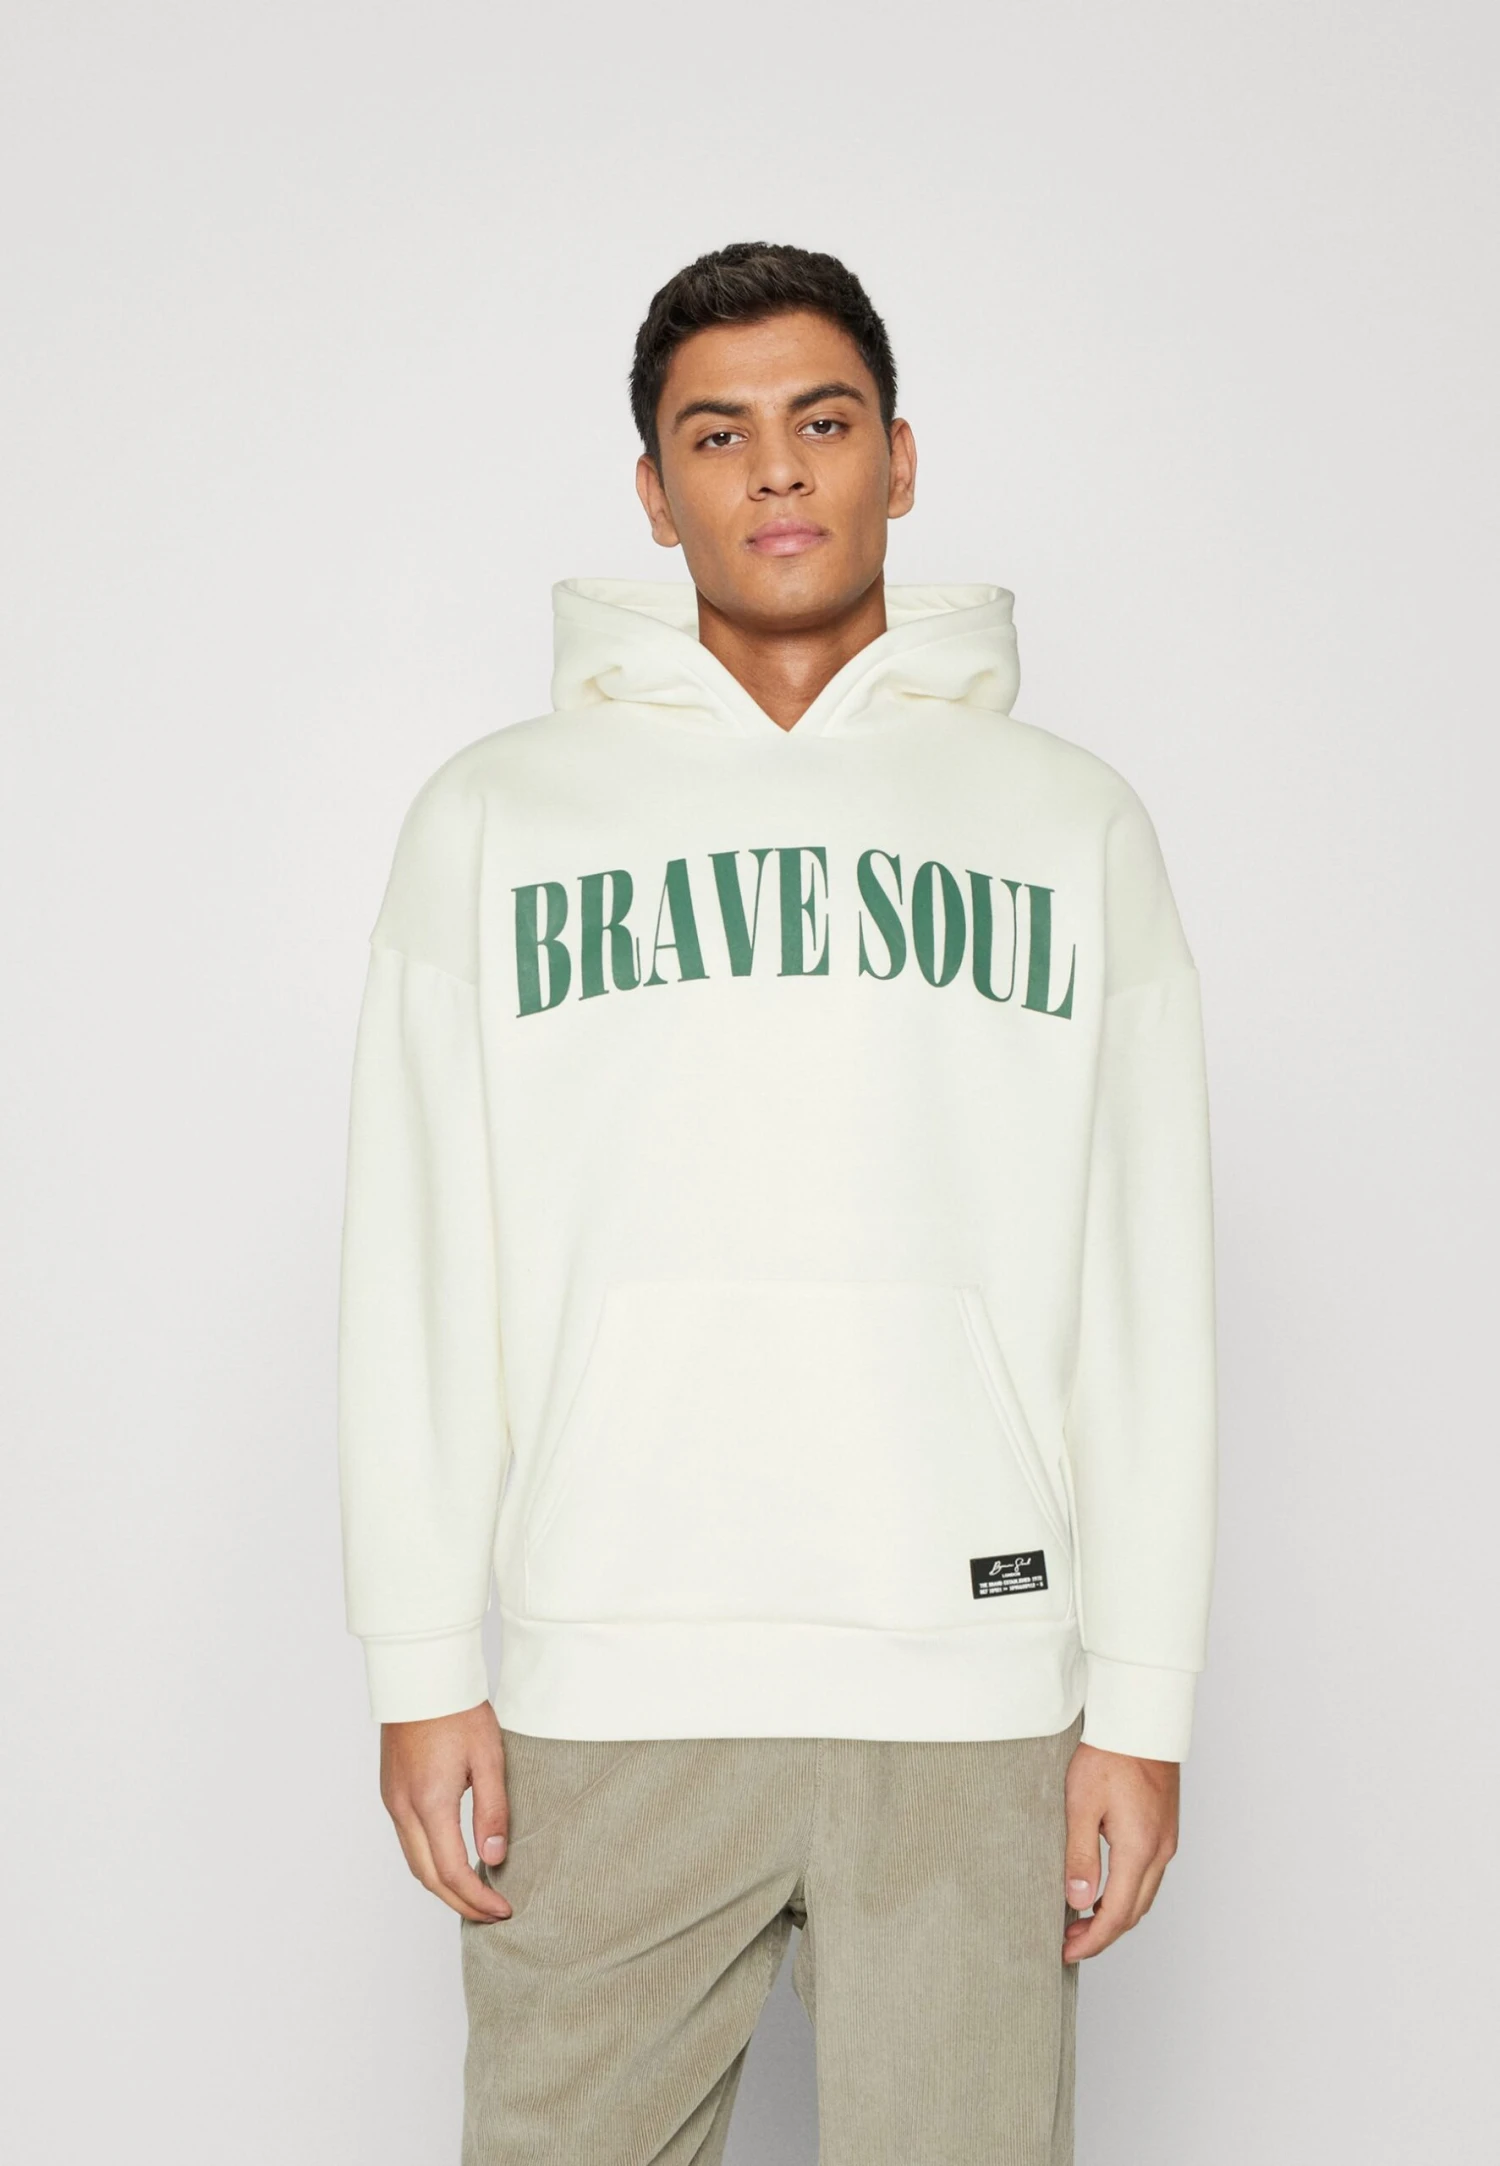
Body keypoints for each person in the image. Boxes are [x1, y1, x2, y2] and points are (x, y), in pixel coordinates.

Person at [336, 240, 1218, 2166]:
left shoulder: (1069, 822)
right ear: (656, 495)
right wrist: (421, 1660)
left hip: (970, 1687)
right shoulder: (497, 816)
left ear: (900, 457)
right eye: (717, 435)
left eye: (821, 421)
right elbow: (418, 1257)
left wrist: (1142, 1702)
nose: (778, 470)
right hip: (609, 1675)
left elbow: (1145, 1280)